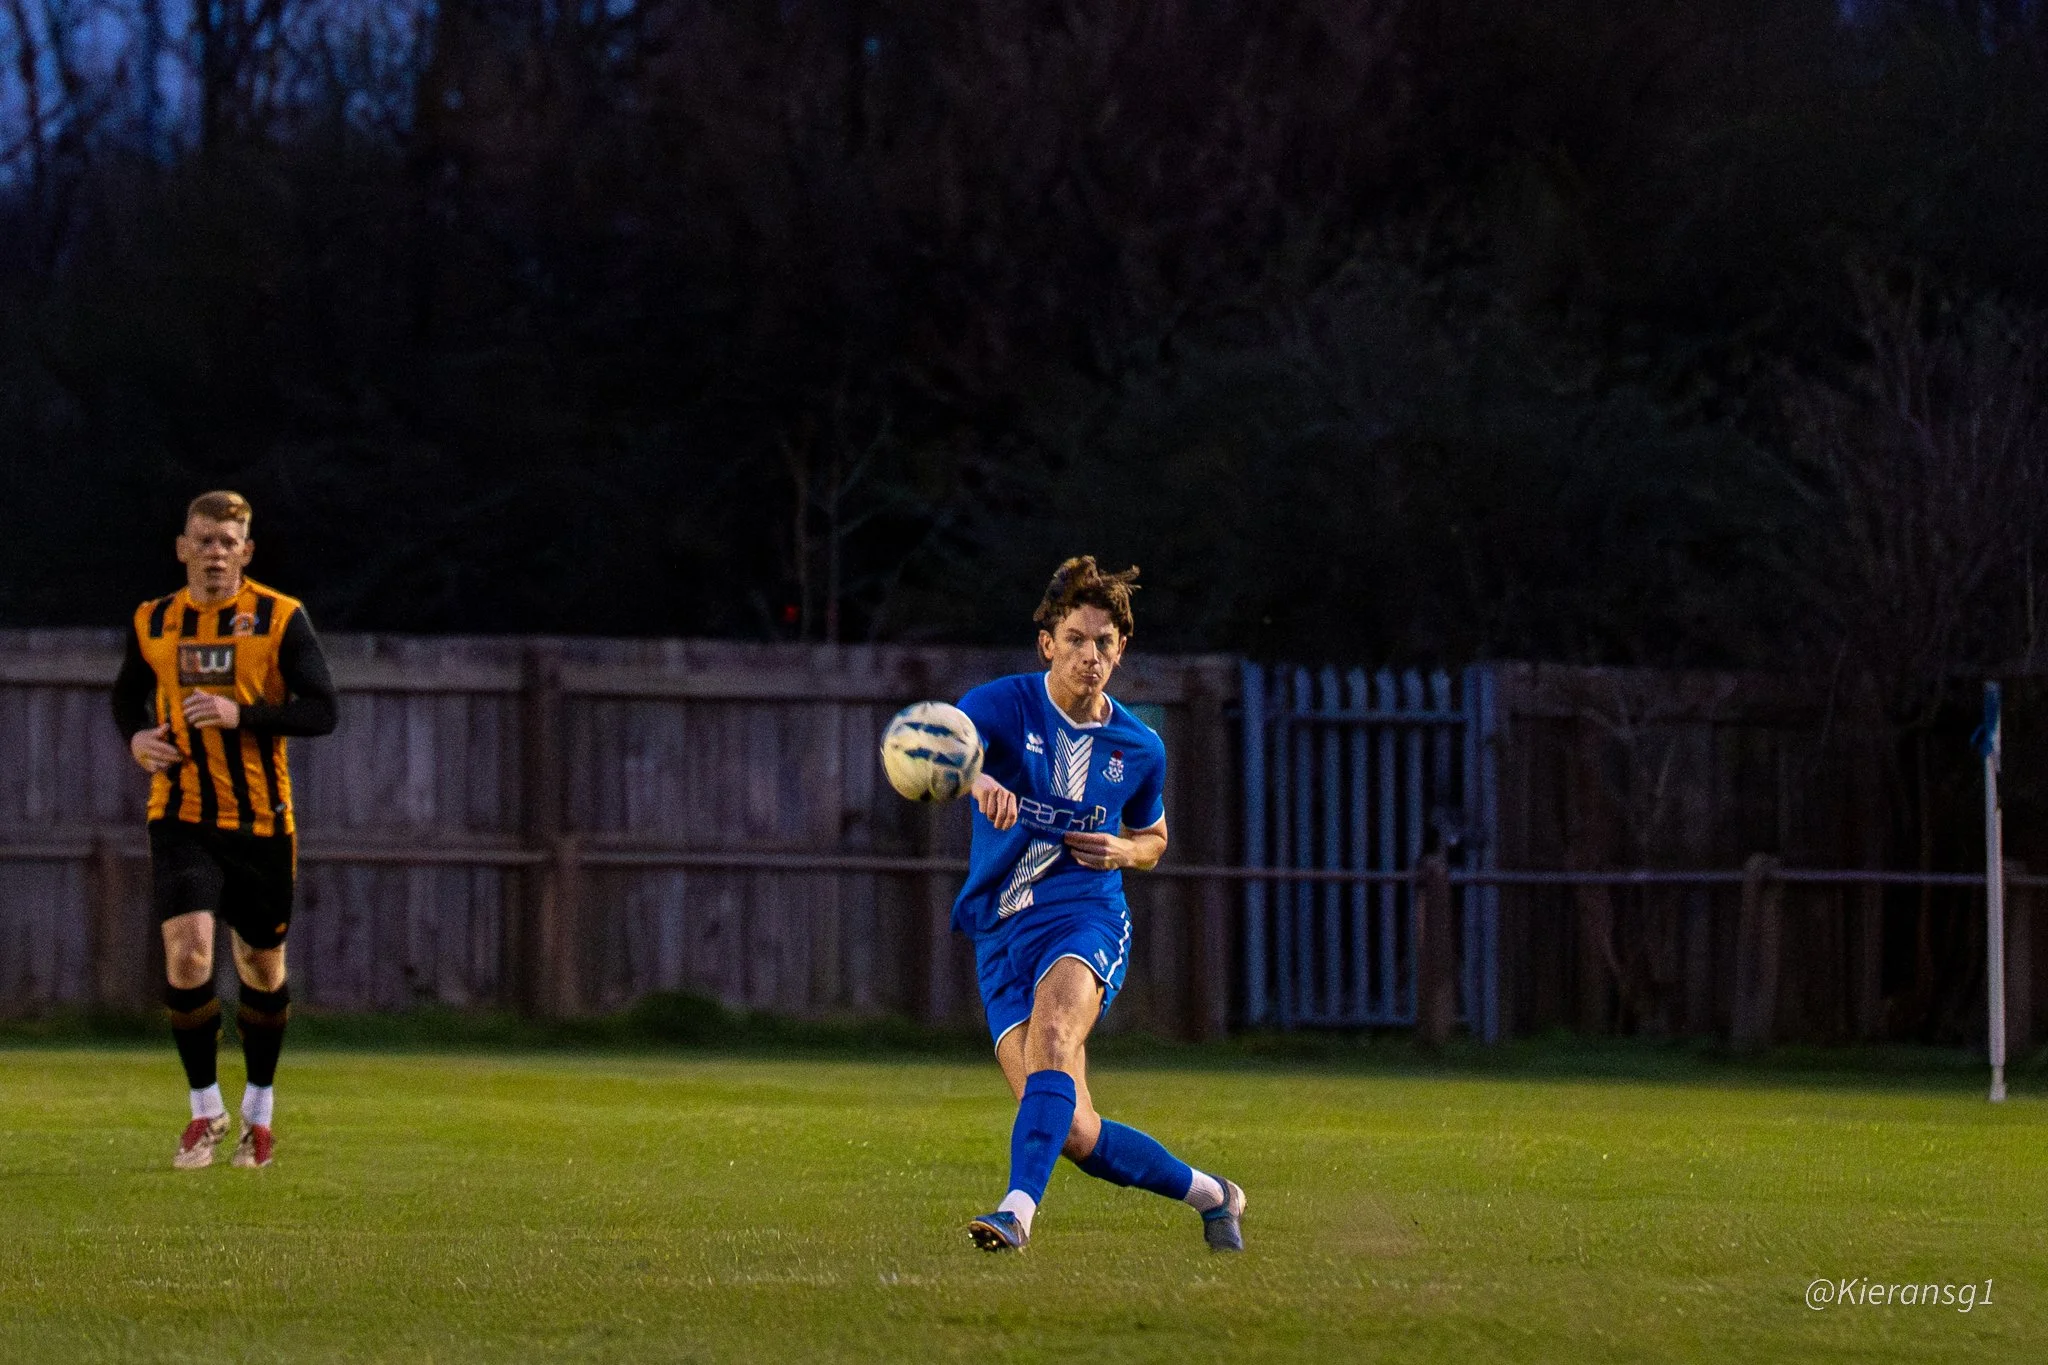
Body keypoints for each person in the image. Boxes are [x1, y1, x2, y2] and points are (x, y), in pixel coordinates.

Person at [954, 556, 1245, 1253]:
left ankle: (1015, 1212)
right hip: (1000, 931)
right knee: (1074, 1128)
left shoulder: (1140, 747)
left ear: (1121, 651)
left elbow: (1156, 836)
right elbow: (946, 749)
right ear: (1047, 643)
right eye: (1076, 638)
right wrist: (977, 780)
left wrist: (1125, 851)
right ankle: (1216, 1194)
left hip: (1085, 917)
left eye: (1104, 642)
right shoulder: (1001, 705)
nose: (1090, 654)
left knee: (1055, 1037)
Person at [111, 491, 337, 1170]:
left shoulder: (279, 618)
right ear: (182, 547)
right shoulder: (153, 620)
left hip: (263, 820)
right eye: (203, 540)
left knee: (261, 969)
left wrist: (244, 717)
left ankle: (259, 1113)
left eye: (228, 541)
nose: (215, 552)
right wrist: (137, 738)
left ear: (246, 551)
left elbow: (322, 710)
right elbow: (127, 693)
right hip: (180, 813)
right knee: (186, 954)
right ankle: (205, 1107)